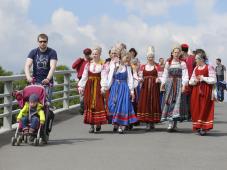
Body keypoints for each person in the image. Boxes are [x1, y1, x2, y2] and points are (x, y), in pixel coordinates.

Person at [78, 46, 108, 133]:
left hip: (98, 86)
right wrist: (81, 86)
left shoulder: (102, 66)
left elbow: (104, 77)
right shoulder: (88, 65)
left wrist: (103, 87)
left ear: (99, 54)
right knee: (89, 104)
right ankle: (91, 125)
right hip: (89, 87)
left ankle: (98, 123)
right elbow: (84, 76)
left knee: (98, 104)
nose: (95, 55)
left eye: (96, 54)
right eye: (93, 54)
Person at [107, 52, 137, 134]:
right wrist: (106, 88)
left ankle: (121, 126)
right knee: (113, 105)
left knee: (122, 106)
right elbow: (110, 77)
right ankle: (115, 124)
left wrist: (131, 91)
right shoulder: (115, 66)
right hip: (115, 87)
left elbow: (130, 80)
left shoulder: (127, 68)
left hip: (124, 88)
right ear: (121, 57)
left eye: (128, 58)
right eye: (126, 57)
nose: (127, 59)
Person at [24, 33, 58, 106]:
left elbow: (53, 67)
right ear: (38, 42)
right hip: (35, 82)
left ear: (47, 42)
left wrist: (48, 79)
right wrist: (28, 77)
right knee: (33, 103)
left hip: (47, 83)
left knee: (45, 104)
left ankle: (46, 116)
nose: (42, 43)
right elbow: (27, 65)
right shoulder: (33, 52)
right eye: (41, 41)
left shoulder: (52, 52)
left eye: (44, 41)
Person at [161, 46, 189, 131]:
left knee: (177, 103)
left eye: (178, 52)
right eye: (175, 52)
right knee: (169, 102)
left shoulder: (182, 63)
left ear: (180, 53)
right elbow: (165, 74)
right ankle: (170, 123)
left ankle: (175, 124)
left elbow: (185, 75)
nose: (176, 54)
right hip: (169, 85)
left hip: (178, 84)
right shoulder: (168, 63)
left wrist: (184, 85)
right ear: (172, 53)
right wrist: (162, 83)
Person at [189, 50, 216, 136]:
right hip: (196, 90)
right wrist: (195, 81)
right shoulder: (196, 68)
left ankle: (204, 127)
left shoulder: (209, 67)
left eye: (197, 59)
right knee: (196, 107)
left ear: (202, 59)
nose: (195, 61)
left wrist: (203, 78)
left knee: (204, 107)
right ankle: (198, 126)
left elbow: (214, 79)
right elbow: (190, 81)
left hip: (206, 90)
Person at [137, 46, 161, 130]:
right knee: (146, 103)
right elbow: (140, 76)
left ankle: (152, 122)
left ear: (154, 57)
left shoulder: (157, 66)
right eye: (149, 57)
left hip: (154, 87)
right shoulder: (143, 66)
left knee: (154, 102)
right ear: (147, 58)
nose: (150, 58)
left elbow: (160, 76)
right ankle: (147, 122)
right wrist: (140, 80)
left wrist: (159, 79)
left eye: (152, 57)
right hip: (145, 87)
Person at [72, 48, 92, 114]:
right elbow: (73, 66)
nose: (87, 55)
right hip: (81, 79)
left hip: (89, 79)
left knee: (89, 94)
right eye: (86, 54)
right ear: (84, 54)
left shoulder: (91, 61)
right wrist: (79, 59)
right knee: (81, 95)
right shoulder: (81, 61)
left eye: (88, 54)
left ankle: (87, 108)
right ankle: (82, 107)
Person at [180, 43, 196, 120]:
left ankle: (189, 114)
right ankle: (187, 114)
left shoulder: (190, 58)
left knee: (188, 98)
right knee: (187, 98)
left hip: (189, 81)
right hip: (187, 80)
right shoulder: (192, 58)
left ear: (182, 51)